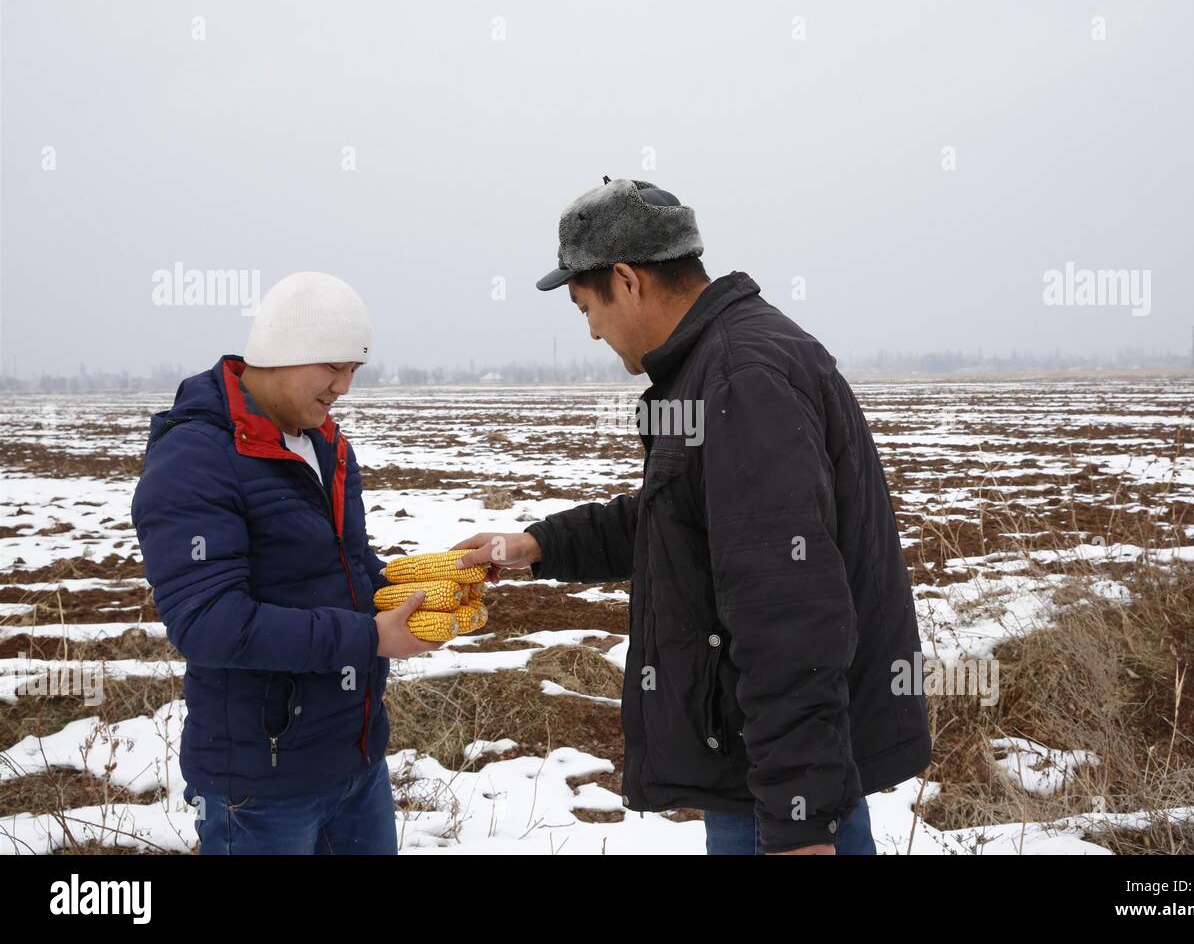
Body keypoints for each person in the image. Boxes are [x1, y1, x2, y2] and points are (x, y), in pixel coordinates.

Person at [455, 177, 932, 855]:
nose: (590, 329)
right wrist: (534, 546)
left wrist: (800, 821)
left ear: (626, 280)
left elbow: (788, 607)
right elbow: (677, 518)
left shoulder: (739, 374)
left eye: (584, 306)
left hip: (779, 791)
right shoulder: (722, 361)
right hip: (765, 767)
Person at [131, 271, 436, 854]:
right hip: (261, 785)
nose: (344, 387)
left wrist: (426, 585)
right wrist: (370, 637)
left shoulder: (324, 443)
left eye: (354, 371)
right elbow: (210, 624)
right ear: (283, 351)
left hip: (355, 758)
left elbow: (348, 568)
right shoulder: (196, 458)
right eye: (333, 367)